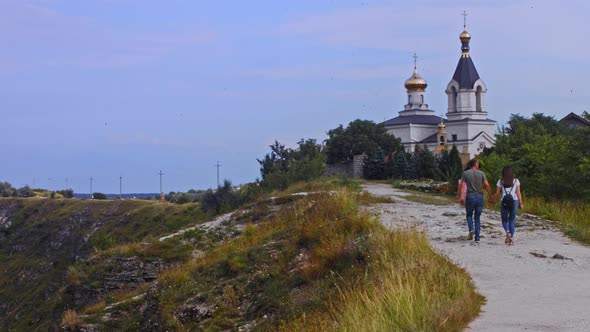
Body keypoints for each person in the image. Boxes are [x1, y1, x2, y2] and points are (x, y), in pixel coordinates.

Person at [458, 159, 492, 242]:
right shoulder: (482, 173)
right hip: (480, 197)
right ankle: (477, 237)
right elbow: (487, 185)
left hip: (470, 196)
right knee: (477, 217)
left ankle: (471, 229)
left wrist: (461, 197)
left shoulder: (466, 173)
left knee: (469, 215)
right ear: (476, 165)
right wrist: (491, 196)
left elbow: (462, 186)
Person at [490, 166, 523, 245]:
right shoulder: (516, 181)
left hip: (504, 202)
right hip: (514, 201)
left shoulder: (500, 181)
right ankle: (511, 237)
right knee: (512, 220)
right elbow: (518, 193)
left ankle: (507, 232)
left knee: (504, 220)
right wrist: (520, 203)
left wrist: (492, 199)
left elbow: (497, 193)